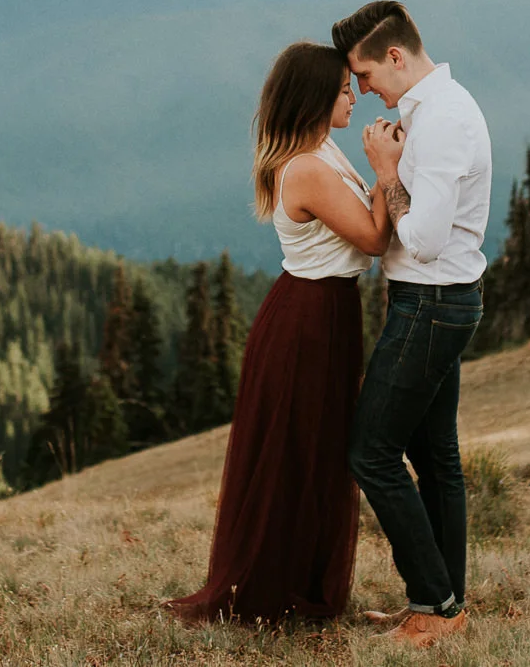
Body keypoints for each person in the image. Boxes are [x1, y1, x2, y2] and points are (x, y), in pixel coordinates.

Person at [167, 41, 393, 625]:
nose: (354, 96)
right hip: (308, 320)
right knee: (296, 451)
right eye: (345, 88)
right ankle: (273, 587)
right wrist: (388, 173)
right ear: (318, 96)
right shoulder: (309, 168)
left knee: (315, 450)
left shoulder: (319, 150)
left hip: (325, 314)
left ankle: (298, 578)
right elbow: (370, 238)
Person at [332, 0, 491, 650]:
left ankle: (435, 600)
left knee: (369, 449)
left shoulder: (444, 120)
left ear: (395, 56)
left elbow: (422, 239)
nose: (363, 89)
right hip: (438, 300)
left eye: (366, 73)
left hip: (430, 301)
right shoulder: (426, 113)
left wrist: (386, 173)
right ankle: (443, 602)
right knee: (435, 455)